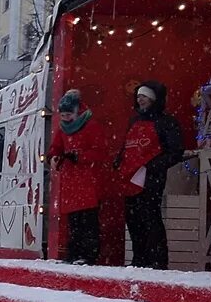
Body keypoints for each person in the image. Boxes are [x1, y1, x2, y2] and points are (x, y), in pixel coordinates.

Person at [115, 81, 184, 270]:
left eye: (143, 96)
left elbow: (175, 151)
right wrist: (119, 161)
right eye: (138, 97)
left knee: (150, 217)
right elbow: (126, 147)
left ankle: (157, 260)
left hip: (151, 178)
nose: (140, 100)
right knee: (133, 219)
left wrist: (152, 166)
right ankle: (140, 258)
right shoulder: (134, 121)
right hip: (130, 177)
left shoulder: (166, 122)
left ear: (153, 99)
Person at [48, 89, 108, 264]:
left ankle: (88, 255)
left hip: (87, 181)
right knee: (74, 222)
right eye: (63, 115)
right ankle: (75, 253)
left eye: (67, 115)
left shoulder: (91, 126)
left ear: (76, 111)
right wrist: (54, 157)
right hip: (72, 181)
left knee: (87, 221)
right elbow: (55, 147)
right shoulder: (63, 128)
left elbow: (100, 152)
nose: (65, 118)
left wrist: (80, 156)